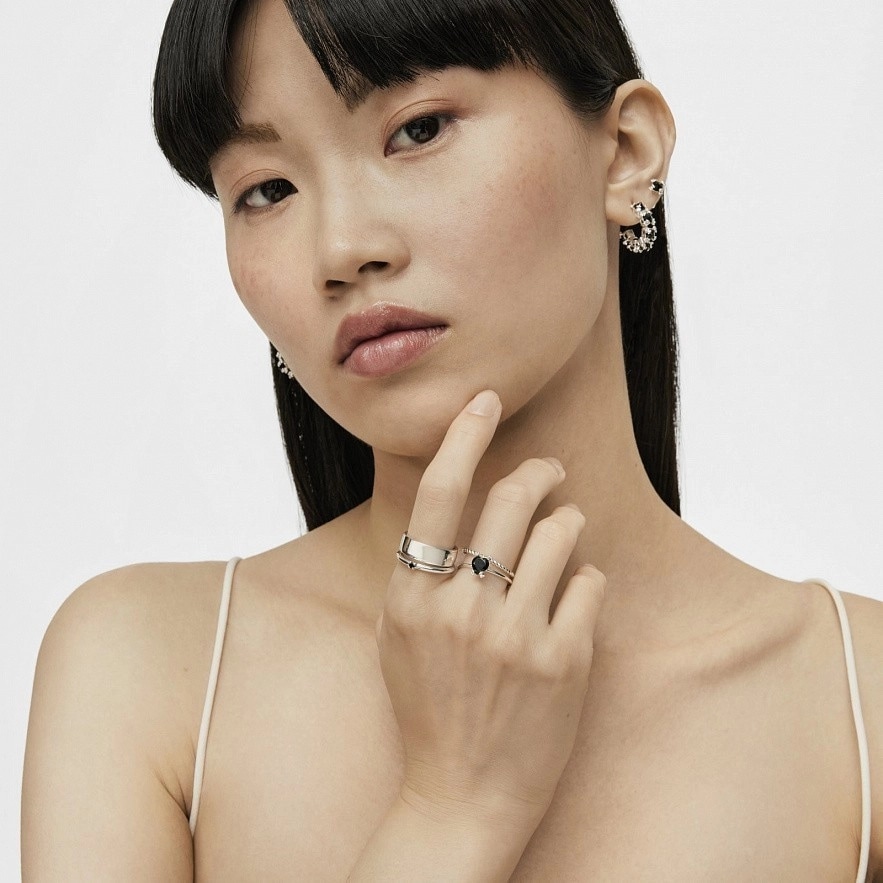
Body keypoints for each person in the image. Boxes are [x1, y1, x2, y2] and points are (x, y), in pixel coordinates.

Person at [20, 0, 882, 879]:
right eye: (267, 190)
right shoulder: (145, 673)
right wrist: (456, 805)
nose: (342, 247)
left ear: (625, 152)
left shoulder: (860, 705)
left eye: (418, 129)